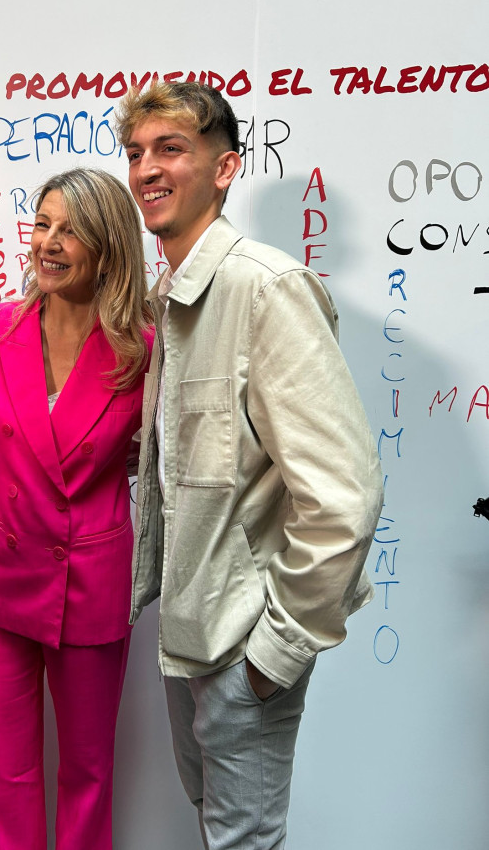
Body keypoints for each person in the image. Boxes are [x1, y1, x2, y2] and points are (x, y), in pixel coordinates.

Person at [115, 81, 384, 850]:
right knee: (216, 823)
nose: (146, 168)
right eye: (136, 152)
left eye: (171, 148)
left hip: (243, 645)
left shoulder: (265, 288)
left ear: (226, 168)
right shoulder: (171, 294)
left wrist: (275, 652)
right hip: (189, 632)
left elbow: (344, 496)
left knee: (242, 839)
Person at [0, 167, 153, 850]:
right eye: (43, 224)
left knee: (88, 768)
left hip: (90, 579)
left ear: (109, 246)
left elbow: (159, 456)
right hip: (1, 566)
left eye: (71, 230)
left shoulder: (143, 348)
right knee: (3, 763)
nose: (49, 242)